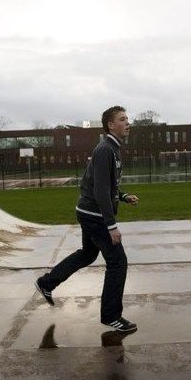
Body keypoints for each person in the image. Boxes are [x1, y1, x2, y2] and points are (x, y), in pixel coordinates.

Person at [34, 105, 139, 332]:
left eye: (127, 118)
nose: (128, 123)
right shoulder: (105, 150)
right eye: (123, 119)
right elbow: (100, 190)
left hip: (89, 211)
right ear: (111, 125)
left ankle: (46, 283)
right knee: (118, 262)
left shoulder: (112, 148)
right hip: (95, 215)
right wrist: (111, 225)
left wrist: (122, 196)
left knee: (88, 254)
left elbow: (104, 185)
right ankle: (111, 316)